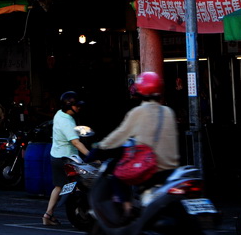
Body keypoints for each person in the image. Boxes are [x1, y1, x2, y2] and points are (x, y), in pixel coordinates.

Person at [95, 72, 180, 210]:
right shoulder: (168, 112)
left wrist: (100, 147)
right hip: (171, 172)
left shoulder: (138, 112)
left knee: (117, 177)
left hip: (151, 171)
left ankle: (127, 210)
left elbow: (120, 134)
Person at [43, 91, 90, 226]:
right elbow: (76, 142)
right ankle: (82, 214)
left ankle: (47, 215)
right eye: (77, 106)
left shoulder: (60, 114)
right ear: (69, 106)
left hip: (56, 156)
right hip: (67, 159)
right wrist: (90, 155)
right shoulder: (66, 121)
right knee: (81, 185)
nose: (79, 108)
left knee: (59, 187)